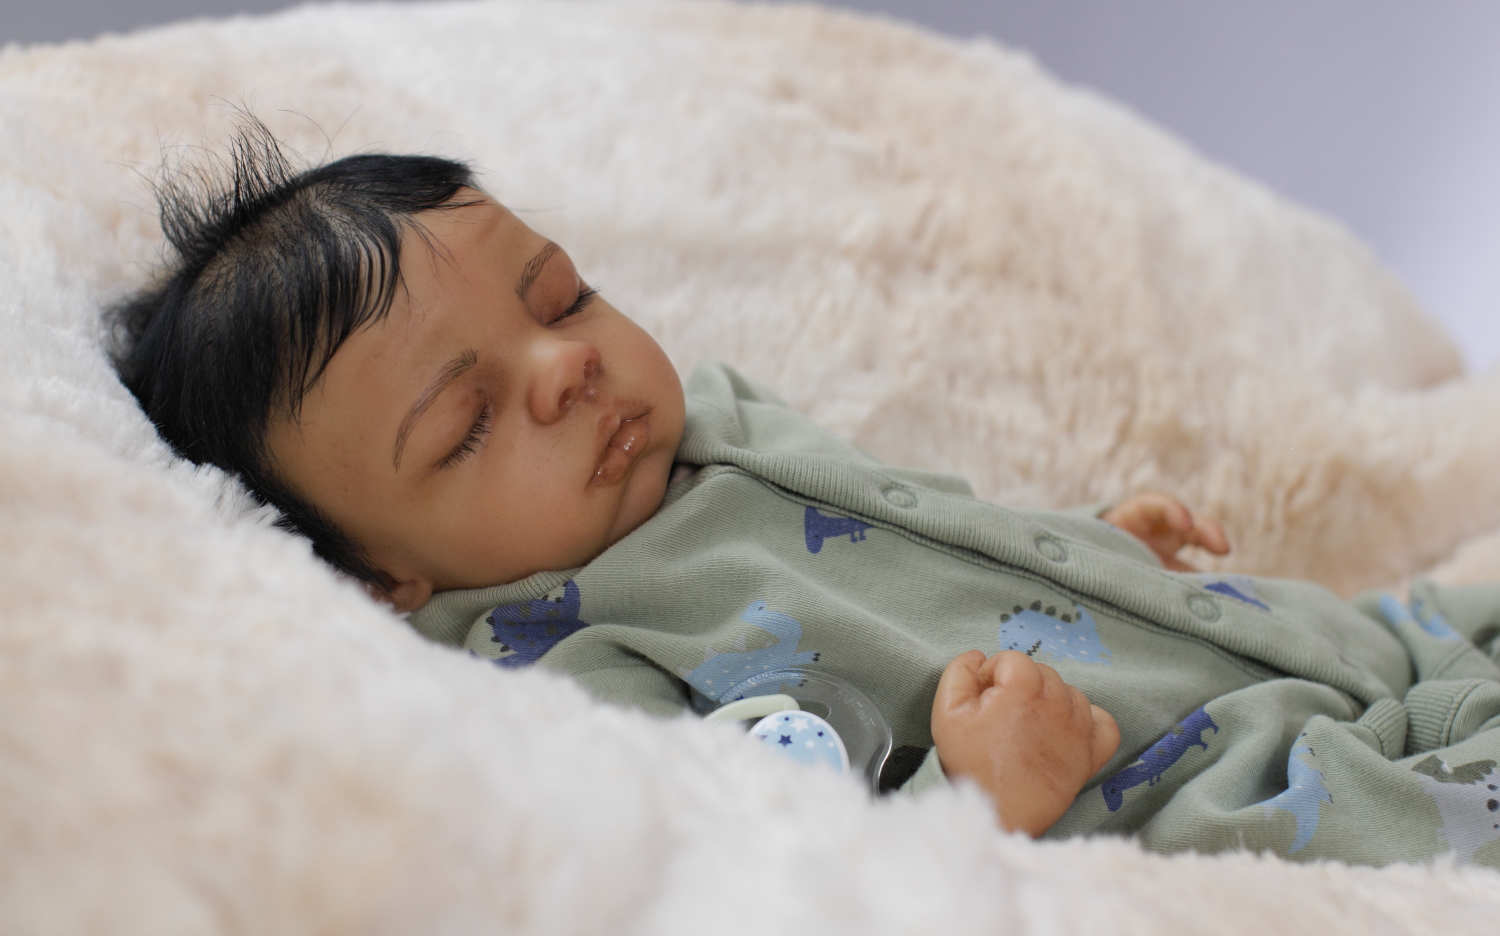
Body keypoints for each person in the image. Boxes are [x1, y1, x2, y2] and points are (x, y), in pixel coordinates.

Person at [112, 123, 1500, 866]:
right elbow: (777, 868)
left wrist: (1086, 552)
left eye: (563, 297)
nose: (567, 367)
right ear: (378, 577)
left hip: (1313, 633)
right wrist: (977, 804)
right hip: (1223, 786)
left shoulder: (720, 417)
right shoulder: (564, 671)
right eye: (469, 422)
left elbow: (930, 523)